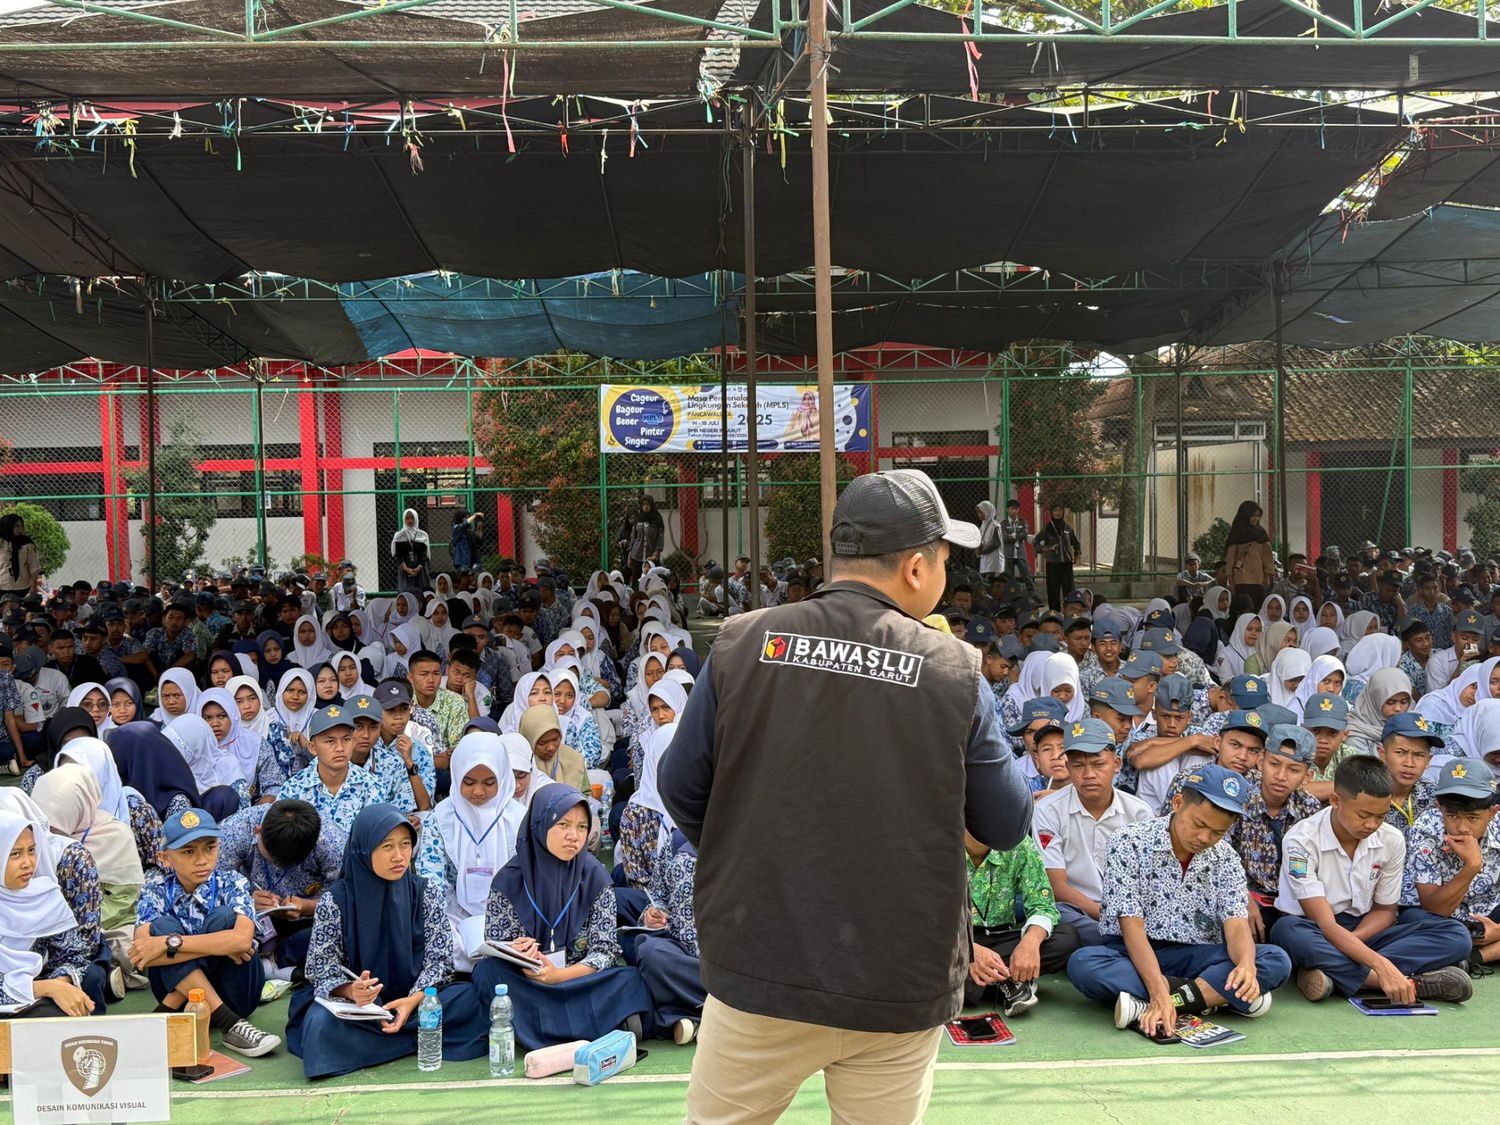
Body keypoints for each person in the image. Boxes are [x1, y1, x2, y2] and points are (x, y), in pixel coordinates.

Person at [659, 468, 1029, 1122]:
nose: (948, 570)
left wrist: (754, 855)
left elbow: (680, 786)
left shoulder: (744, 641)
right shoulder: (951, 670)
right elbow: (1005, 819)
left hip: (760, 960)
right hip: (897, 977)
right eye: (946, 557)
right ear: (917, 567)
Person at [1067, 764, 1291, 1034]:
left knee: (1274, 960)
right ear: (1177, 803)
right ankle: (1212, 996)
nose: (1204, 838)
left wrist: (1245, 966)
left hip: (1195, 954)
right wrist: (1157, 988)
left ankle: (1157, 1004)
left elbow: (1236, 924)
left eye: (1218, 832)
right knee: (1083, 965)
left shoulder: (1227, 857)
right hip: (1132, 951)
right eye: (1199, 824)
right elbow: (1132, 929)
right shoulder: (1129, 841)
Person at [287, 804, 487, 1079]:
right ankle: (413, 1037)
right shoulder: (336, 901)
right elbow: (321, 967)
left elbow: (439, 959)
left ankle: (384, 1040)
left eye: (405, 845)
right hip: (363, 1009)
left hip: (418, 1000)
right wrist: (350, 990)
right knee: (320, 1024)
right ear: (363, 849)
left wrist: (412, 1001)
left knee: (471, 1000)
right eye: (386, 847)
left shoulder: (424, 892)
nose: (399, 856)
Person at [1271, 756, 1474, 1004]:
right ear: (1335, 801)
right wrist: (1380, 965)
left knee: (1457, 935)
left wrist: (1354, 947)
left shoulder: (1392, 839)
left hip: (1365, 929)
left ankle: (1335, 974)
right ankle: (1406, 983)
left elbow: (1385, 911)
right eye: (1364, 815)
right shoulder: (1301, 839)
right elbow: (1325, 924)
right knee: (1289, 932)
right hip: (1314, 927)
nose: (1372, 824)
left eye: (1381, 816)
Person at [471, 785, 653, 1049]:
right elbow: (495, 944)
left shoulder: (595, 876)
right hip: (530, 980)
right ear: (540, 824)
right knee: (488, 972)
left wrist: (559, 976)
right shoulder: (508, 880)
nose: (574, 836)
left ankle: (533, 1029)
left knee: (629, 979)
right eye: (563, 824)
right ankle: (599, 1025)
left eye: (581, 827)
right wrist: (514, 949)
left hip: (579, 980)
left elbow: (605, 950)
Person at [128, 808, 282, 1057]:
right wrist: (222, 945)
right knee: (164, 925)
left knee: (221, 918)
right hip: (188, 1002)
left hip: (236, 992)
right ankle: (229, 1023)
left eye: (209, 848)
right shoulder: (154, 889)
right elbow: (143, 952)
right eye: (188, 851)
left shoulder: (233, 882)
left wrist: (169, 945)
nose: (201, 859)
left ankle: (165, 1013)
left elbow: (242, 940)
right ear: (165, 858)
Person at [1032, 717, 1153, 947]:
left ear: (1116, 765)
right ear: (1068, 767)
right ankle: (1131, 946)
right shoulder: (1048, 811)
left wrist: (1126, 920)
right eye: (1078, 765)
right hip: (1077, 910)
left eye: (1098, 764)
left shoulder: (1139, 813)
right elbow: (1056, 886)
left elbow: (1145, 884)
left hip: (1128, 914)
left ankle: (1125, 945)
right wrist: (1107, 917)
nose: (1088, 774)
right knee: (1058, 914)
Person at [413, 731, 529, 970]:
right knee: (440, 940)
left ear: (503, 776)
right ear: (456, 776)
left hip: (510, 912)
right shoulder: (442, 818)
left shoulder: (517, 818)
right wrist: (448, 919)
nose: (478, 792)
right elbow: (432, 879)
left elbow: (529, 877)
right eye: (468, 782)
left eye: (489, 782)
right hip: (457, 913)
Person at [215, 798, 342, 972]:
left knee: (341, 930)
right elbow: (213, 886)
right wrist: (245, 901)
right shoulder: (235, 832)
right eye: (271, 858)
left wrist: (308, 907)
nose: (279, 865)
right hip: (250, 918)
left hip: (311, 919)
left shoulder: (332, 842)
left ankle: (277, 962)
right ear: (258, 831)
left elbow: (346, 896)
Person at [964, 825, 1079, 1017]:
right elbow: (923, 921)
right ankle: (1007, 982)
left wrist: (1030, 942)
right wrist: (968, 951)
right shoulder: (938, 846)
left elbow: (1043, 905)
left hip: (999, 940)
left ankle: (976, 981)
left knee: (1066, 938)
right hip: (949, 942)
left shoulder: (1018, 843)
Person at [0, 808, 99, 1018]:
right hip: (15, 999)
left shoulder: (45, 895)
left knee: (63, 1008)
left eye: (32, 850)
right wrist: (48, 988)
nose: (28, 863)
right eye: (15, 854)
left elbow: (73, 954)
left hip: (33, 1002)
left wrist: (61, 985)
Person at [1228, 725, 1321, 941]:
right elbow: (1220, 857)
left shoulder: (1309, 808)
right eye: (1274, 764)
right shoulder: (1236, 799)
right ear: (1261, 762)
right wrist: (1242, 898)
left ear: (1307, 776)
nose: (1280, 776)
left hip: (1294, 903)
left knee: (1302, 932)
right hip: (1246, 897)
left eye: (1293, 769)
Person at [1404, 757, 1500, 965]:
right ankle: (1468, 953)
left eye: (1473, 818)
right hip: (1437, 918)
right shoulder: (1426, 828)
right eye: (1453, 816)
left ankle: (1475, 958)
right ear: (1440, 807)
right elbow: (1434, 909)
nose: (1462, 828)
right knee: (1449, 935)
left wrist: (1497, 931)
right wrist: (1472, 866)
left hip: (1489, 914)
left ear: (1492, 813)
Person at [635, 827, 705, 1044]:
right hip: (682, 955)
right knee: (649, 952)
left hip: (733, 957)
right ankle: (717, 1014)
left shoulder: (748, 837)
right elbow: (657, 896)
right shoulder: (677, 840)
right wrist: (651, 915)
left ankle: (680, 1016)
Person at [278, 705, 384, 838]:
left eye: (346, 740)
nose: (340, 748)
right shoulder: (293, 789)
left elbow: (378, 838)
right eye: (330, 741)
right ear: (312, 748)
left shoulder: (372, 785)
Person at [1379, 712, 1441, 842]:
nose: (1409, 763)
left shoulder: (1436, 796)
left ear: (1428, 760)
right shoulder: (1366, 794)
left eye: (1419, 755)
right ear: (1382, 754)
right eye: (1400, 753)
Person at [1224, 500, 1275, 605]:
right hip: (1241, 579)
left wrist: (1267, 575)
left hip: (1258, 579)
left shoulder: (1261, 533)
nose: (1256, 518)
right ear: (1245, 515)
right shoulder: (1237, 533)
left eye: (1258, 516)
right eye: (1253, 515)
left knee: (1258, 606)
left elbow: (1267, 556)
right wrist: (1230, 577)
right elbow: (1230, 557)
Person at [1034, 505, 1080, 612]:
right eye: (1055, 510)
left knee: (1069, 591)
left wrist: (1076, 556)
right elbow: (1035, 542)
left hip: (1066, 564)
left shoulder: (1068, 527)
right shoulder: (1048, 528)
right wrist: (1042, 549)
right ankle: (1054, 614)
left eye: (1060, 510)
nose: (1058, 513)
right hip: (1052, 564)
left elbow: (1076, 543)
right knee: (1053, 591)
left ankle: (1070, 612)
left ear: (1063, 512)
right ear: (1051, 512)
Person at [390, 509, 431, 594]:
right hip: (405, 567)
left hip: (420, 567)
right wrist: (406, 569)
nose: (410, 521)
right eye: (407, 518)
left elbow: (423, 554)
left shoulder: (422, 535)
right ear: (404, 520)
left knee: (421, 592)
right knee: (405, 593)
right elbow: (399, 554)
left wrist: (418, 568)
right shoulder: (399, 535)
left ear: (416, 519)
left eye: (412, 518)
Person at [0, 513, 40, 597]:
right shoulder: (1, 543)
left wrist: (33, 589)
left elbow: (34, 568)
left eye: (21, 526)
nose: (19, 529)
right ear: (8, 526)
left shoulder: (27, 543)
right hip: (2, 587)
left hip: (22, 587)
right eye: (15, 526)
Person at [627, 496, 664, 585]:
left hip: (650, 555)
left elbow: (660, 537)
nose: (645, 507)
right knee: (636, 581)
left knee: (651, 581)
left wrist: (656, 552)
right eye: (643, 505)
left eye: (647, 505)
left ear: (651, 505)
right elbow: (633, 537)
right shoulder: (638, 518)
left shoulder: (657, 519)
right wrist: (629, 555)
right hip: (636, 555)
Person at [1000, 498, 1034, 592]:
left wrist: (1013, 535)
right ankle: (1010, 595)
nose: (1014, 511)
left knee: (1027, 575)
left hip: (1020, 553)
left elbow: (1025, 535)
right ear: (1008, 509)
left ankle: (1032, 594)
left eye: (1016, 509)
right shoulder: (1003, 523)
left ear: (1018, 510)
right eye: (1012, 508)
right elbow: (1005, 538)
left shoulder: (1023, 522)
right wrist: (1017, 536)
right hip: (1009, 553)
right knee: (1008, 577)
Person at [975, 500, 1003, 581]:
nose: (980, 515)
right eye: (979, 513)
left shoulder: (995, 525)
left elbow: (996, 543)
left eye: (982, 512)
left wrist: (981, 551)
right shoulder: (983, 524)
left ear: (988, 511)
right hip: (985, 560)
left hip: (993, 560)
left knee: (992, 582)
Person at [448, 508, 482, 575]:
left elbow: (478, 541)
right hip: (462, 561)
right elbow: (464, 525)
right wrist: (475, 516)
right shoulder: (456, 528)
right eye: (465, 517)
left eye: (468, 517)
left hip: (473, 560)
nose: (467, 519)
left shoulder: (469, 529)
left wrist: (479, 530)